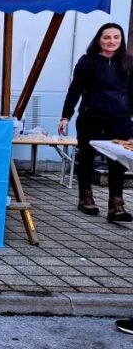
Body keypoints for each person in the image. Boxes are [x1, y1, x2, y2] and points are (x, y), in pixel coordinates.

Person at [58, 22, 133, 222]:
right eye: (107, 37)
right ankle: (85, 197)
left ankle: (116, 204)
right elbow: (74, 90)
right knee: (87, 157)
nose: (112, 41)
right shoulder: (87, 62)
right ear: (99, 40)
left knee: (118, 161)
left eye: (116, 37)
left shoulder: (128, 63)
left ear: (121, 39)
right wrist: (66, 116)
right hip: (91, 117)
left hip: (120, 119)